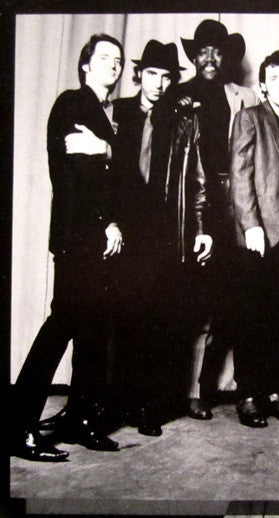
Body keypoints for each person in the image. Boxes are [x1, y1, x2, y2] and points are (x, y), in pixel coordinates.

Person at [10, 34, 125, 461]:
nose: (113, 65)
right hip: (79, 236)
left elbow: (111, 174)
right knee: (64, 324)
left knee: (93, 330)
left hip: (94, 235)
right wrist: (106, 221)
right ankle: (17, 426)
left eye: (118, 60)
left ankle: (81, 420)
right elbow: (82, 172)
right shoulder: (74, 103)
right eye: (104, 58)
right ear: (85, 65)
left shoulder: (102, 113)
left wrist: (107, 150)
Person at [111, 40, 212, 436]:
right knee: (123, 316)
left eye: (167, 76)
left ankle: (151, 407)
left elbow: (199, 181)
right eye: (152, 74)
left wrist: (200, 230)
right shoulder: (117, 112)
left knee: (160, 320)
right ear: (139, 75)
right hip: (123, 228)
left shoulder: (185, 119)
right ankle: (118, 403)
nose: (158, 83)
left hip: (165, 233)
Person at [171, 19, 259, 419]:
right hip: (195, 208)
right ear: (194, 56)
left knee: (242, 300)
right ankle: (194, 392)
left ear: (227, 57)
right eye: (203, 51)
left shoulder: (245, 96)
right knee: (197, 301)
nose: (210, 58)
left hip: (238, 204)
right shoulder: (178, 96)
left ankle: (244, 390)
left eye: (217, 51)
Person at [229, 50, 279, 428]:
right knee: (252, 317)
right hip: (259, 234)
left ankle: (276, 393)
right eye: (275, 79)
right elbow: (239, 174)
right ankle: (248, 395)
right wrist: (251, 226)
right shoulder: (250, 117)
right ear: (262, 85)